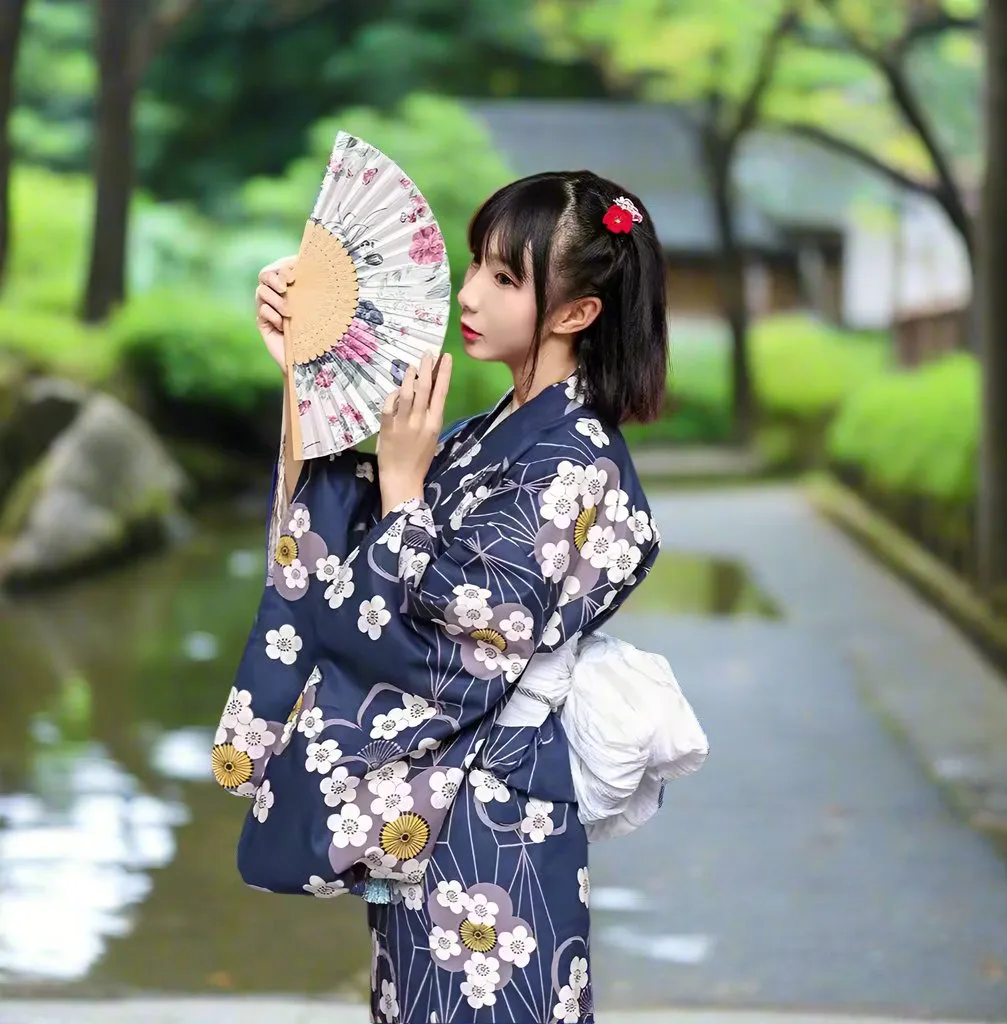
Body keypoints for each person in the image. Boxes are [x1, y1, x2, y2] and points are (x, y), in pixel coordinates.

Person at [215, 170, 670, 1024]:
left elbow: (462, 650)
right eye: (474, 266)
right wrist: (305, 373)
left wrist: (401, 486)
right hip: (433, 819)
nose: (469, 294)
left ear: (576, 314)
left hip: (493, 832)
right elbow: (341, 544)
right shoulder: (482, 437)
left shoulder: (579, 462)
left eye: (505, 279)